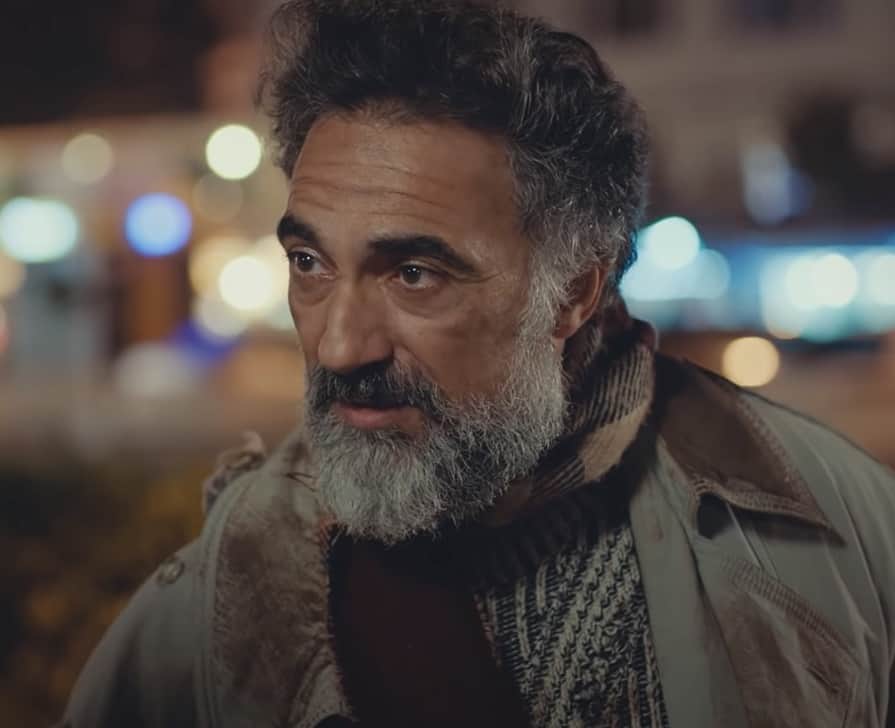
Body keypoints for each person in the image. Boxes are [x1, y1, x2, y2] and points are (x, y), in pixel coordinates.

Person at [59, 1, 895, 726]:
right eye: (310, 264)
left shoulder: (837, 532)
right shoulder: (222, 593)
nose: (339, 346)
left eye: (414, 274)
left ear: (572, 291)